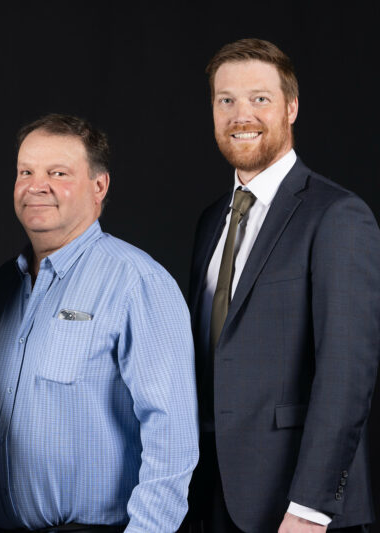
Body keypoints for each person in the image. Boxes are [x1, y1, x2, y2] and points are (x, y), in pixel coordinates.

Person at [0, 113, 198, 532]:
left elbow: (173, 439)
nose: (38, 185)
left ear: (99, 186)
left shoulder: (136, 282)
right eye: (26, 172)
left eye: (58, 173)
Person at [186, 38, 380, 532]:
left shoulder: (337, 216)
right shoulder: (212, 221)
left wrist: (311, 507)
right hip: (215, 500)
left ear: (291, 108)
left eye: (260, 99)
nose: (240, 114)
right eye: (225, 100)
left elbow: (346, 374)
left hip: (299, 510)